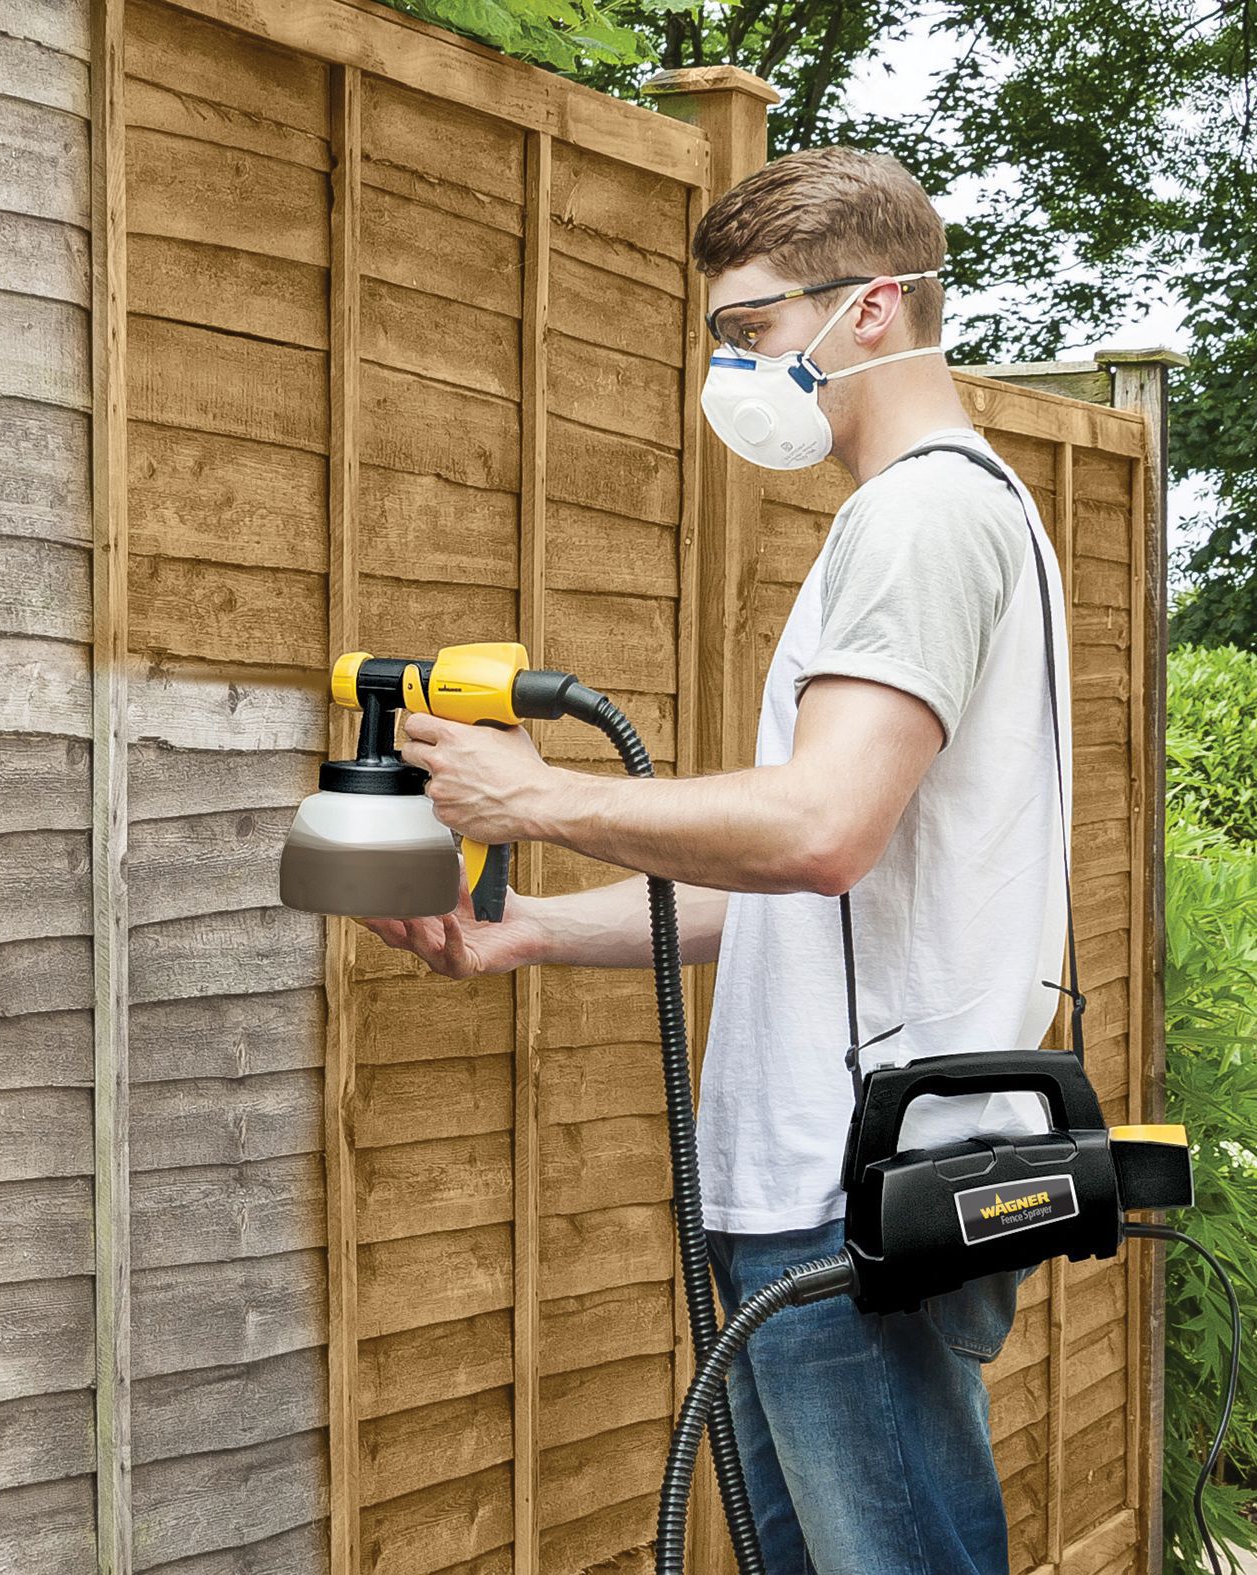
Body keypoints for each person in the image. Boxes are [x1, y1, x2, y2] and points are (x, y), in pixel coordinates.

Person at [359, 146, 1072, 1574]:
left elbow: (819, 832)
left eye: (753, 332)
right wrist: (534, 933)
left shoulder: (920, 516)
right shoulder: (951, 513)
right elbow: (823, 906)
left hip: (845, 1193)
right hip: (847, 1184)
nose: (735, 370)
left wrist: (540, 796)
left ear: (872, 308)